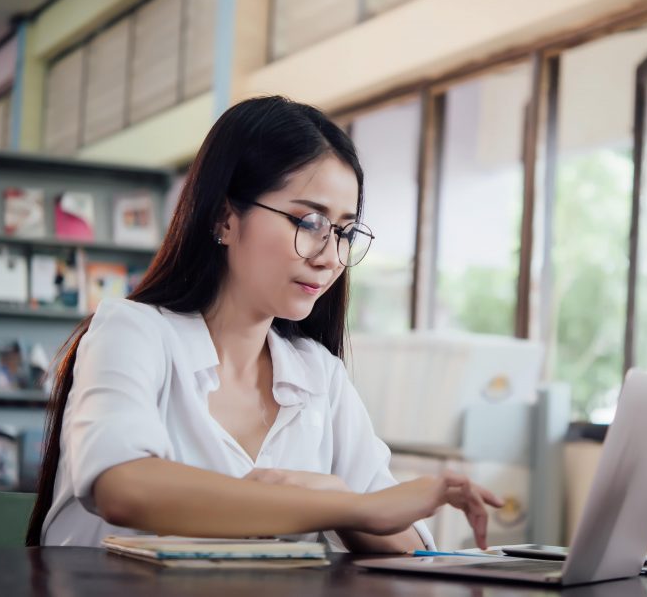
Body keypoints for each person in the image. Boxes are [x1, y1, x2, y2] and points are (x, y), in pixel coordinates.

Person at [26, 96, 502, 550]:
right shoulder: (132, 332)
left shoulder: (319, 376)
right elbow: (124, 486)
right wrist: (336, 504)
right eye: (308, 222)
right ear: (224, 218)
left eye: (345, 231)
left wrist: (338, 496)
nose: (331, 257)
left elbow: (410, 548)